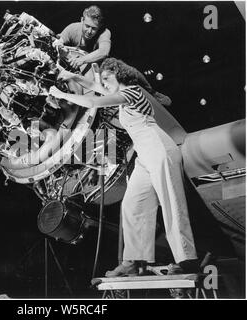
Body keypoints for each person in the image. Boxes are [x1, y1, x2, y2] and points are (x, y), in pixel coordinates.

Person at [48, 58, 198, 276]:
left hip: (159, 148)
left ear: (120, 75)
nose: (105, 84)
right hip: (145, 155)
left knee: (170, 201)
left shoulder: (133, 92)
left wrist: (61, 95)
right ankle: (134, 261)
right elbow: (92, 86)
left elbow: (92, 102)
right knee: (132, 204)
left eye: (108, 79)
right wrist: (71, 76)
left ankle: (187, 260)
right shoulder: (120, 94)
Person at [53, 5, 172, 106]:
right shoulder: (72, 28)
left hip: (101, 66)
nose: (89, 31)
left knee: (132, 72)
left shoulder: (105, 32)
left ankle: (152, 93)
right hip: (81, 68)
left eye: (94, 29)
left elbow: (103, 52)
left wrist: (82, 60)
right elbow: (60, 40)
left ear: (99, 27)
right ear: (82, 20)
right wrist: (58, 43)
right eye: (87, 26)